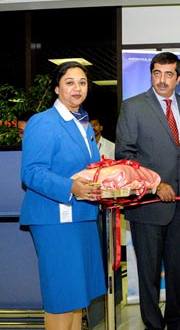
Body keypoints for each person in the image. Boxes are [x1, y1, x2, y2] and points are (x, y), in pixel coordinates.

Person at [115, 52, 180, 330]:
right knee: (149, 272)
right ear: (151, 74)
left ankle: (178, 320)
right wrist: (155, 184)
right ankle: (153, 323)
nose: (162, 80)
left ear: (178, 78)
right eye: (157, 73)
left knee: (178, 270)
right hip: (148, 206)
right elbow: (125, 156)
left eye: (168, 74)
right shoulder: (133, 107)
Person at [20, 61, 106, 330]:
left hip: (81, 217)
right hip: (54, 220)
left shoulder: (85, 126)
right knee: (61, 296)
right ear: (57, 88)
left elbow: (88, 170)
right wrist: (71, 188)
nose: (77, 88)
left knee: (77, 296)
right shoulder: (43, 122)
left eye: (82, 82)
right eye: (70, 82)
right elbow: (31, 172)